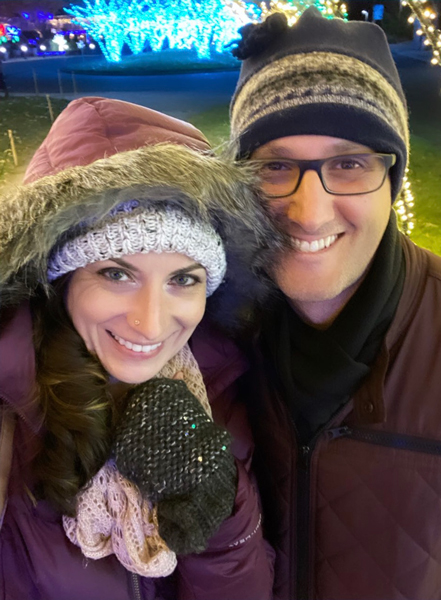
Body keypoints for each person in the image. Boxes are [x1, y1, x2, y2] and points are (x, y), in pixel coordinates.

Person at [192, 7, 441, 600]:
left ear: (392, 180)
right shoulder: (199, 332)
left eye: (349, 164)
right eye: (275, 166)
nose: (309, 211)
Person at [0, 96, 276, 600]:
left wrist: (221, 511)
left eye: (183, 279)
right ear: (60, 279)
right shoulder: (12, 415)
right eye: (116, 273)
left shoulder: (219, 389)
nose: (150, 323)